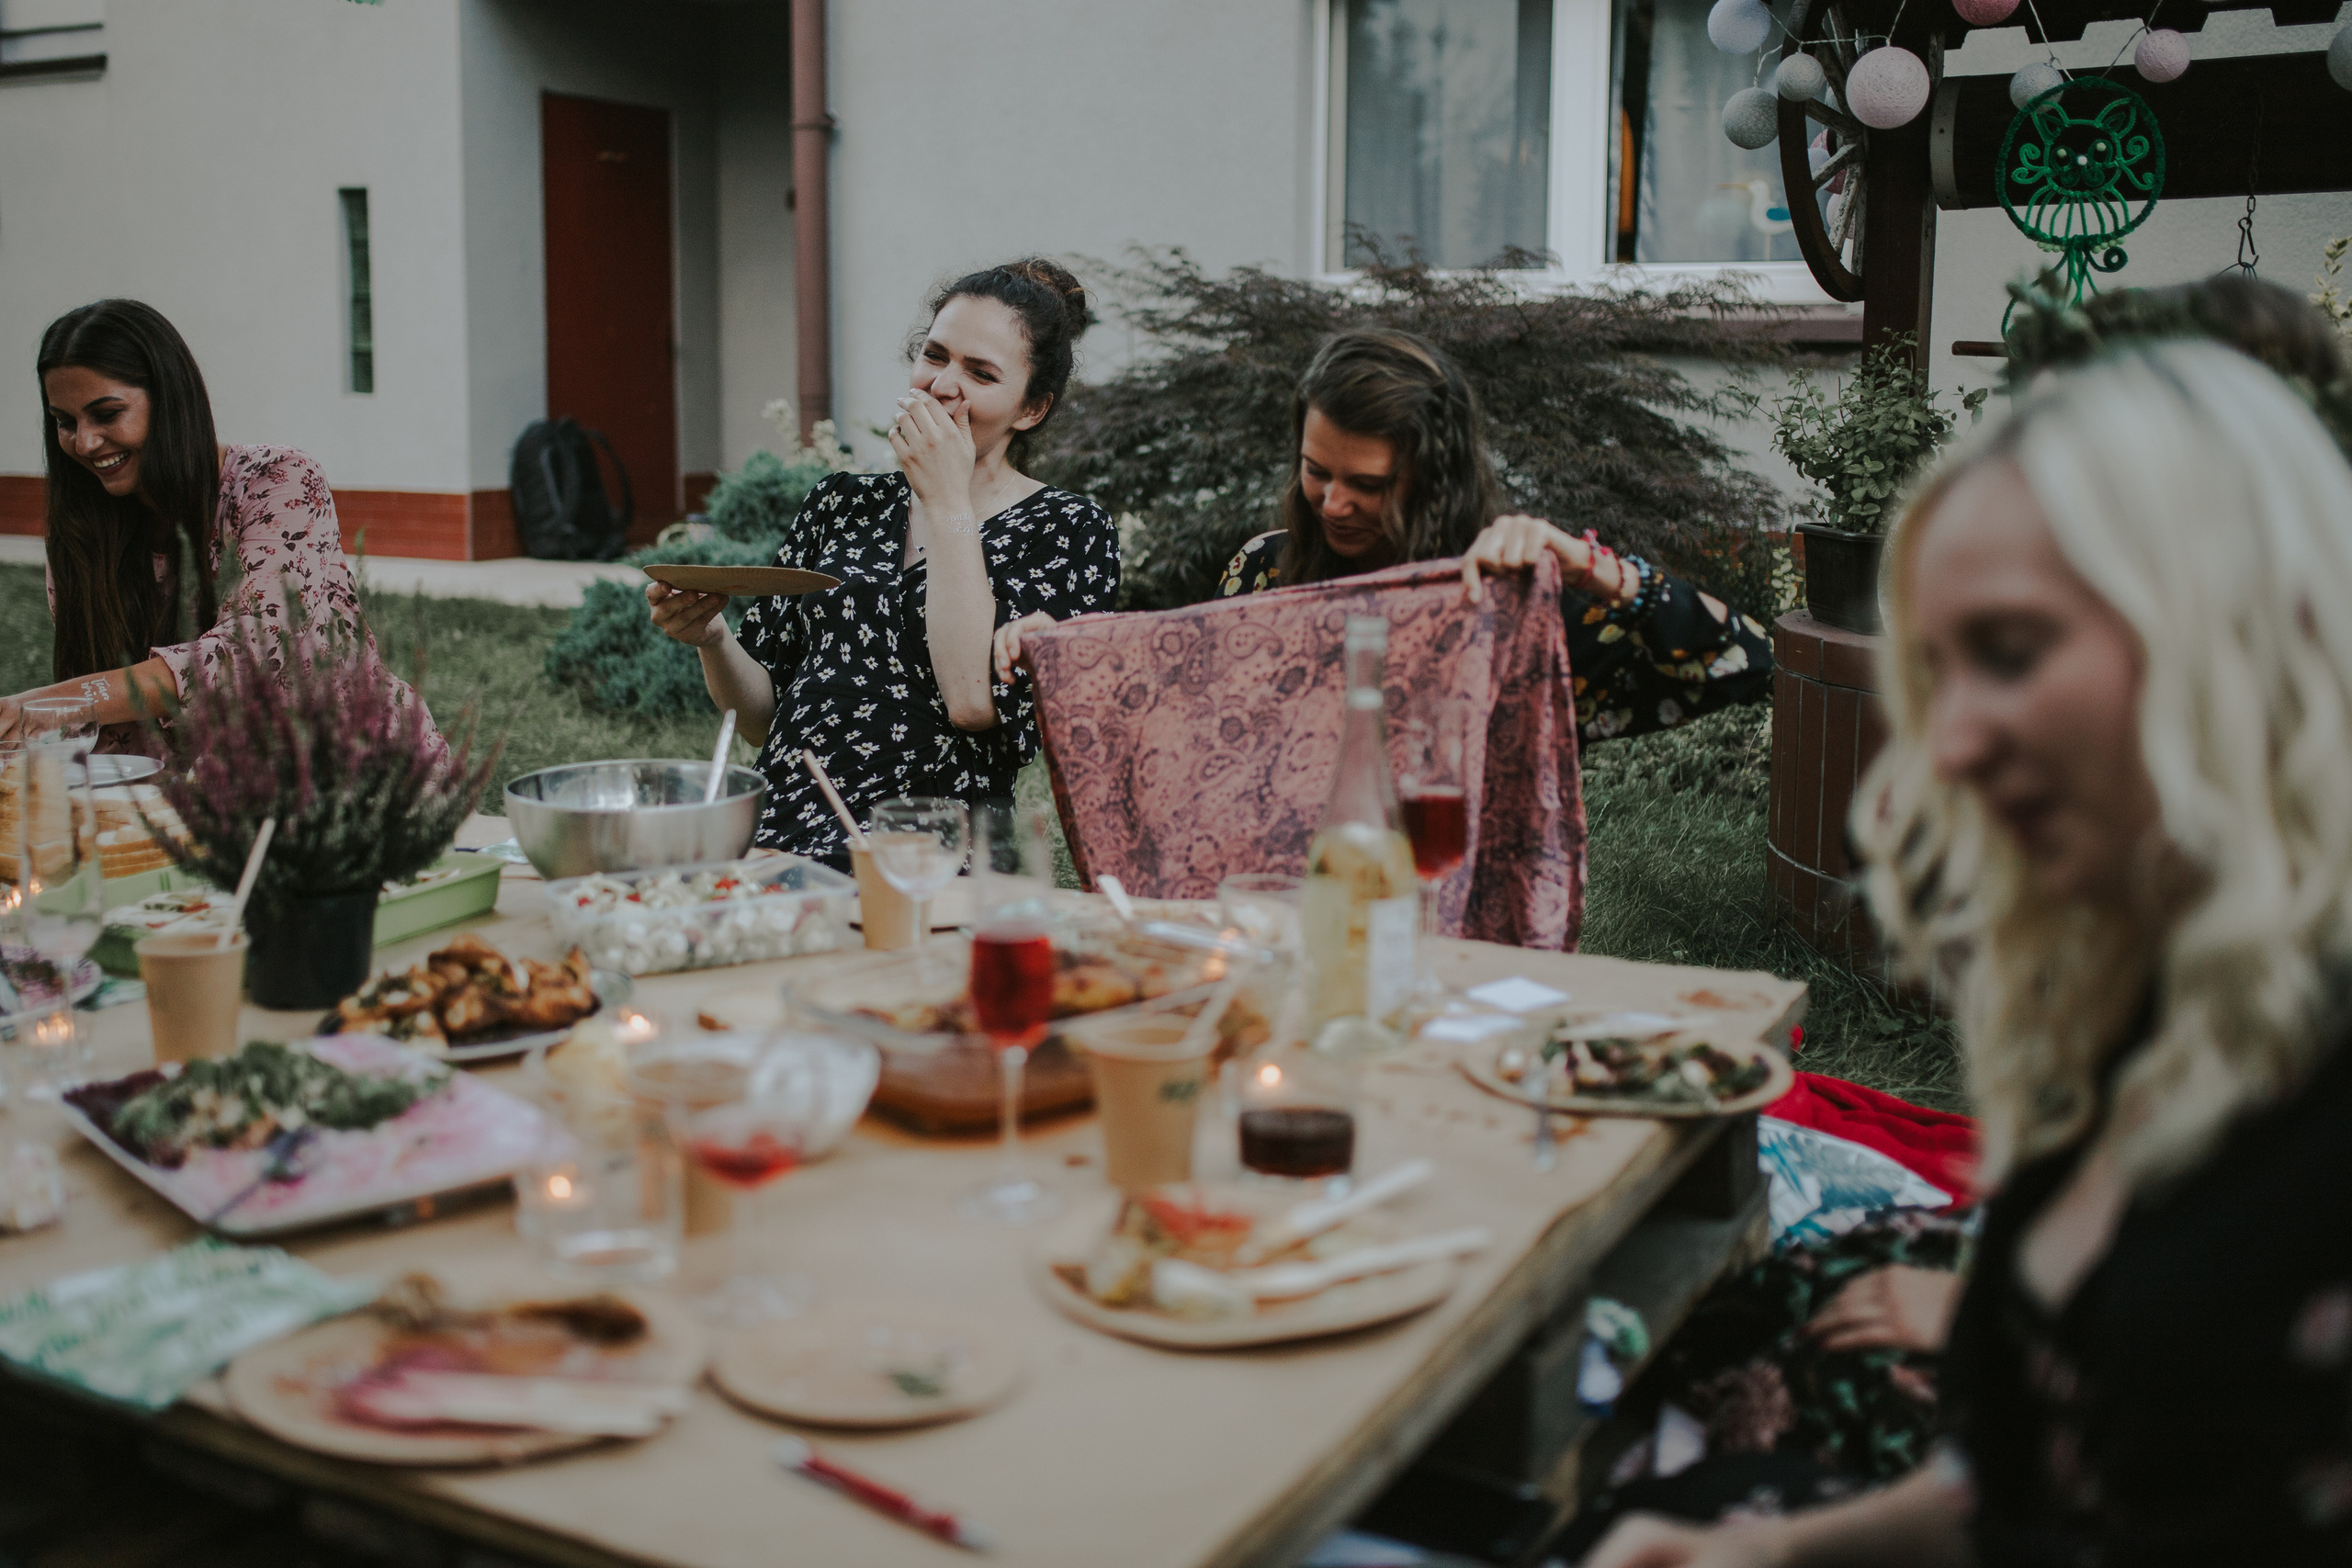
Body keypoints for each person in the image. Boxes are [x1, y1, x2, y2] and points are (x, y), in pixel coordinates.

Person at [1583, 337, 2352, 1566]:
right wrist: (1775, 1555)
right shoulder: (2149, 1013)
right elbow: (2033, 1488)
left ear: (2239, 634)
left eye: (2011, 650)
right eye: (1937, 674)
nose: (1943, 747)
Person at [647, 259, 1118, 863]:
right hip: (777, 837)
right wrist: (712, 637)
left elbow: (973, 703)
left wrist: (947, 500)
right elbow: (763, 716)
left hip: (927, 855)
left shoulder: (1068, 529)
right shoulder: (842, 502)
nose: (943, 384)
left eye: (980, 373)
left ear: (1031, 408)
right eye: (935, 355)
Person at [1191, 328, 1773, 744]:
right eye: (1316, 471)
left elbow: (1741, 661)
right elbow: (1198, 728)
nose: (1334, 504)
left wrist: (1586, 567)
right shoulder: (1265, 569)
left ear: (1433, 480)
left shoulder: (1515, 604)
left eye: (1369, 484)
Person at [5, 299, 435, 756]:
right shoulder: (81, 527)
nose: (85, 442)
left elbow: (252, 652)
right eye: (64, 422)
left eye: (108, 414)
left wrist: (56, 704)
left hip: (349, 769)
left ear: (169, 400)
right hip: (196, 790)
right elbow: (116, 721)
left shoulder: (279, 480)